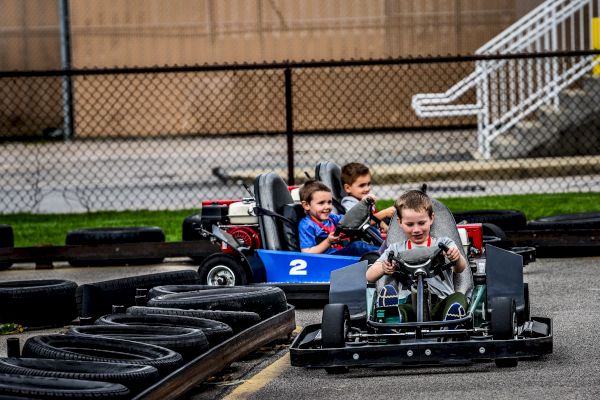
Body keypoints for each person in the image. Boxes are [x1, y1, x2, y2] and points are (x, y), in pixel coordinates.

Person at [366, 189, 468, 323]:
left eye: (421, 223)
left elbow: (460, 269)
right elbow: (369, 276)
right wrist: (384, 268)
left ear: (431, 218)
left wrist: (456, 258)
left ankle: (452, 321)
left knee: (459, 298)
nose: (416, 230)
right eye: (410, 224)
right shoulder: (395, 249)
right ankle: (394, 319)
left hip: (441, 302)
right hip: (410, 303)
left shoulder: (443, 244)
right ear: (400, 222)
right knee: (401, 308)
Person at [298, 180, 380, 256]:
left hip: (341, 252)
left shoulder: (331, 217)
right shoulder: (307, 225)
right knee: (357, 246)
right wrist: (328, 241)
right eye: (321, 203)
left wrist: (364, 203)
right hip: (327, 259)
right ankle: (383, 255)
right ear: (306, 205)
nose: (327, 207)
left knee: (369, 229)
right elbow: (307, 253)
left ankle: (385, 249)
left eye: (329, 202)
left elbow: (350, 220)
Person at [340, 162, 395, 232]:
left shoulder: (365, 200)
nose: (367, 189)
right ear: (348, 188)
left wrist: (382, 224)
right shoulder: (349, 203)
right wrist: (384, 213)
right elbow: (360, 222)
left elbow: (373, 218)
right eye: (362, 185)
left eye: (368, 184)